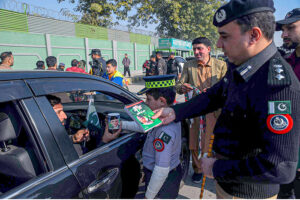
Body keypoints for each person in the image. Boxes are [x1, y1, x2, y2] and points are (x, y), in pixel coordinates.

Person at [152, 0, 300, 199]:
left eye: (224, 36)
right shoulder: (241, 63)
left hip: (248, 194)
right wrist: (177, 111)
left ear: (254, 35)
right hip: (226, 185)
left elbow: (279, 168)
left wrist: (217, 168)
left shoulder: (279, 87)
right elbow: (216, 94)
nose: (219, 45)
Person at [176, 36, 227, 183]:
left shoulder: (221, 65)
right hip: (196, 112)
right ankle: (198, 170)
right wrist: (182, 87)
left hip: (215, 112)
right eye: (194, 49)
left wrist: (215, 91)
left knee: (213, 141)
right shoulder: (189, 65)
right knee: (194, 142)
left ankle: (215, 168)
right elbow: (178, 87)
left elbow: (228, 87)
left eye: (200, 49)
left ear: (208, 49)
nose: (197, 52)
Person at [136, 75, 182, 199]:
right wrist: (122, 124)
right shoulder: (167, 116)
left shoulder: (165, 130)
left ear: (162, 101)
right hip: (165, 175)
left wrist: (149, 196)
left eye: (148, 99)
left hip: (163, 182)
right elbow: (146, 126)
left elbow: (161, 170)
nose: (146, 103)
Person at [276, 8, 300, 199]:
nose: (284, 35)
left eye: (290, 28)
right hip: (286, 146)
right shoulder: (285, 61)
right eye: (282, 29)